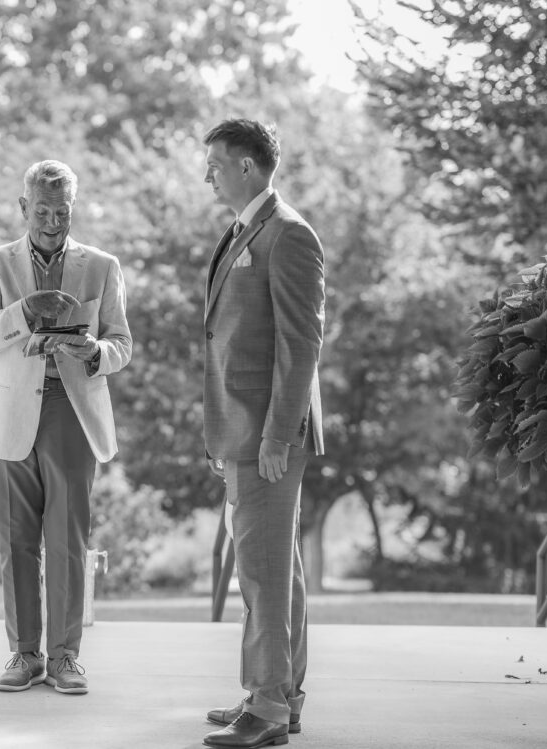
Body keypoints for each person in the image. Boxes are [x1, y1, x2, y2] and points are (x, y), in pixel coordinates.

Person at [0, 160, 131, 695]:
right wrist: (24, 309)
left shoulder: (102, 266)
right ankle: (24, 654)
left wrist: (96, 351)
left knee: (67, 539)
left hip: (73, 412)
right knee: (16, 540)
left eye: (62, 211)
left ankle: (65, 657)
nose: (53, 221)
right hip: (10, 413)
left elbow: (121, 343)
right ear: (23, 207)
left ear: (73, 208)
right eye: (42, 211)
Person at [199, 120, 325, 749]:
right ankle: (283, 698)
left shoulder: (290, 235)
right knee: (281, 569)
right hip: (242, 428)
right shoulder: (246, 230)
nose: (209, 176)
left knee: (262, 572)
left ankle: (267, 708)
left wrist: (277, 435)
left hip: (268, 433)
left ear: (247, 167)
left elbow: (301, 344)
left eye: (216, 165)